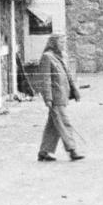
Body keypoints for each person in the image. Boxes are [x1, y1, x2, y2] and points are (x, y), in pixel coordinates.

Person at [36, 34, 84, 162]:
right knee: (64, 122)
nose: (63, 45)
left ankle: (44, 151)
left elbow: (68, 75)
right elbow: (45, 80)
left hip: (63, 96)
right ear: (53, 43)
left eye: (64, 42)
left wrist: (75, 91)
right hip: (55, 97)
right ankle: (72, 150)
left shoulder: (62, 56)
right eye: (60, 42)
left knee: (53, 124)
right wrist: (48, 98)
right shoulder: (47, 57)